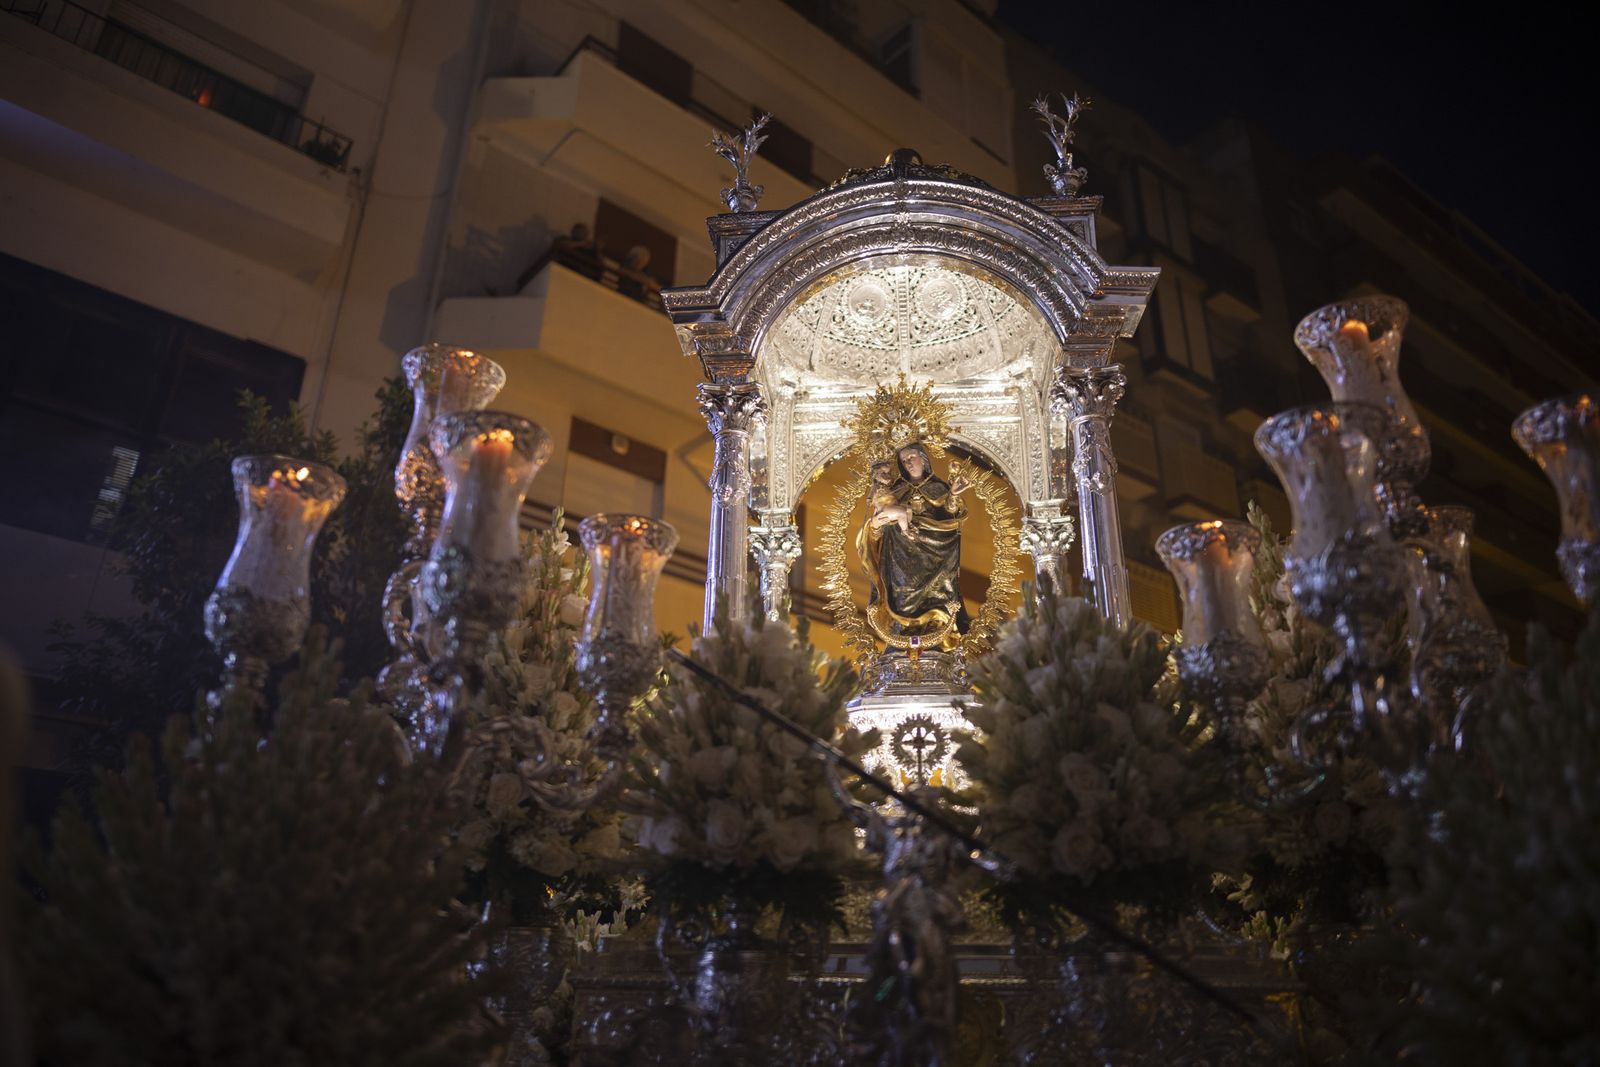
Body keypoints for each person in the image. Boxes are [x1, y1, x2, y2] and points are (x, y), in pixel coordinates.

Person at [857, 443, 972, 641]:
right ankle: (903, 629)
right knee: (903, 594)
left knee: (938, 594)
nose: (908, 463)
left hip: (935, 552)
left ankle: (937, 627)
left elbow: (950, 517)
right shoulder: (896, 490)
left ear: (923, 459)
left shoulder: (939, 488)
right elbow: (879, 522)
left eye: (911, 457)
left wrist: (953, 494)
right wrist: (876, 525)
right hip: (901, 557)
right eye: (903, 461)